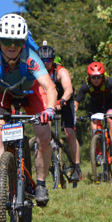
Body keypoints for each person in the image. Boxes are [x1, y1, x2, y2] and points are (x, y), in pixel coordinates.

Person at [0, 13, 58, 206]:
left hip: (31, 92)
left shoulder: (31, 57)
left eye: (16, 41)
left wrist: (49, 109)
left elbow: (49, 87)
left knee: (43, 133)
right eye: (7, 41)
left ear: (23, 41)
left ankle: (40, 184)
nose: (12, 46)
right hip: (3, 93)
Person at [37, 43, 82, 182]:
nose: (45, 64)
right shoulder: (37, 72)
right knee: (43, 131)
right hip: (47, 103)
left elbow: (68, 89)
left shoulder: (61, 71)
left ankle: (76, 167)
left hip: (64, 102)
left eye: (48, 61)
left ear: (53, 60)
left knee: (69, 133)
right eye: (42, 61)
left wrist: (62, 101)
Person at [74, 62, 112, 162]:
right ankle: (98, 151)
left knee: (111, 119)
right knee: (94, 125)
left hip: (110, 102)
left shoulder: (109, 82)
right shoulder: (86, 85)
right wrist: (74, 114)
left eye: (99, 77)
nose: (96, 80)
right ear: (89, 77)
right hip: (96, 104)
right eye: (93, 77)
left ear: (102, 76)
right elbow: (76, 102)